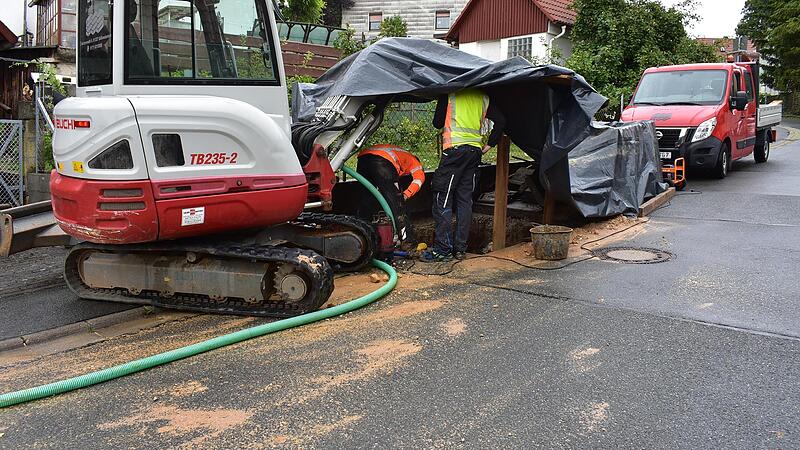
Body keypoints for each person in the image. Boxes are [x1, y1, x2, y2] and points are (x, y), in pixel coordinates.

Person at [420, 88, 506, 262]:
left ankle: (443, 250)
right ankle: (460, 250)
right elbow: (502, 121)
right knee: (464, 201)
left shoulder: (450, 93)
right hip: (474, 152)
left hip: (455, 151)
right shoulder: (483, 97)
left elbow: (437, 123)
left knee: (442, 198)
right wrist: (490, 144)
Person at [356, 144, 426, 249]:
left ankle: (362, 236)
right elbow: (419, 179)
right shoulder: (414, 161)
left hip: (363, 159)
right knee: (397, 205)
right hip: (382, 161)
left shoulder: (399, 153)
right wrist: (406, 195)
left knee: (366, 200)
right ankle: (408, 241)